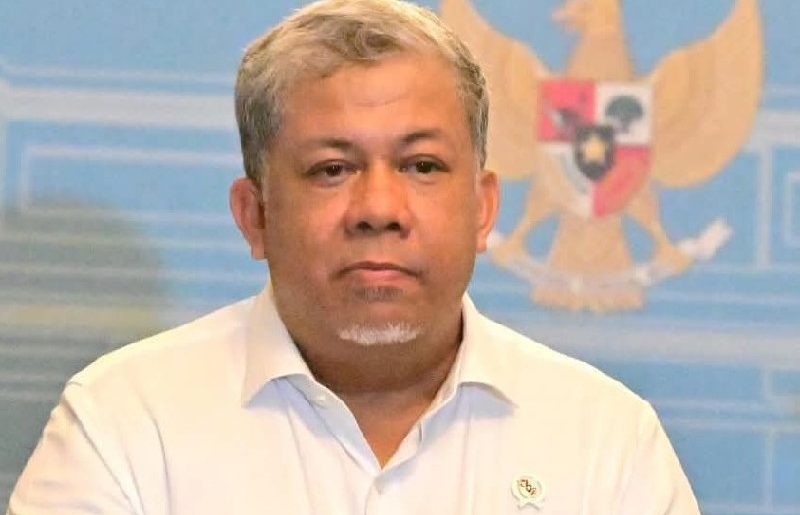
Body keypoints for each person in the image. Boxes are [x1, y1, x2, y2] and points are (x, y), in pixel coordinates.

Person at [7, 0, 700, 513]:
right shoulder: (125, 424)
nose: (380, 207)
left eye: (422, 165)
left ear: (484, 208)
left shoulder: (607, 441)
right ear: (255, 215)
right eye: (332, 169)